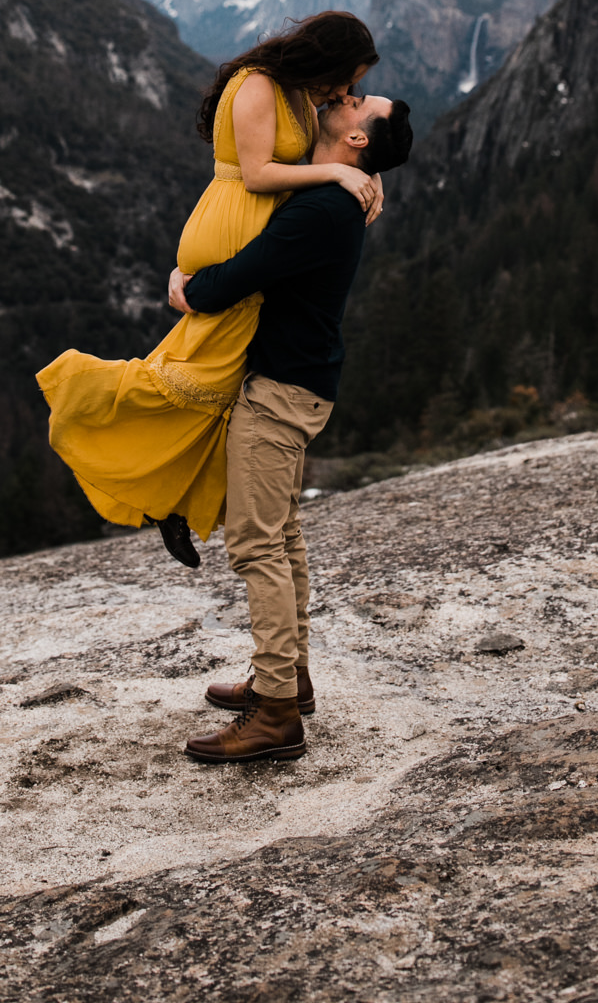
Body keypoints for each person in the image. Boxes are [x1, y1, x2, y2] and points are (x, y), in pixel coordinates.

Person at [35, 12, 384, 563]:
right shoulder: (258, 85)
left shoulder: (298, 93)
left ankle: (171, 499)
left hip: (252, 237)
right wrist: (341, 175)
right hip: (233, 232)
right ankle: (80, 392)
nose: (346, 92)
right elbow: (258, 175)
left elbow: (337, 140)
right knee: (197, 382)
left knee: (219, 389)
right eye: (346, 79)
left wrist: (368, 171)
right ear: (325, 59)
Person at [175, 90, 414, 765]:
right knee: (282, 535)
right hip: (301, 382)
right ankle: (291, 679)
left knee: (255, 545)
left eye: (358, 99)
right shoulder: (336, 195)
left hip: (280, 391)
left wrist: (186, 288)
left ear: (359, 138)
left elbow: (236, 279)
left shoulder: (322, 210)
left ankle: (275, 712)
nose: (342, 95)